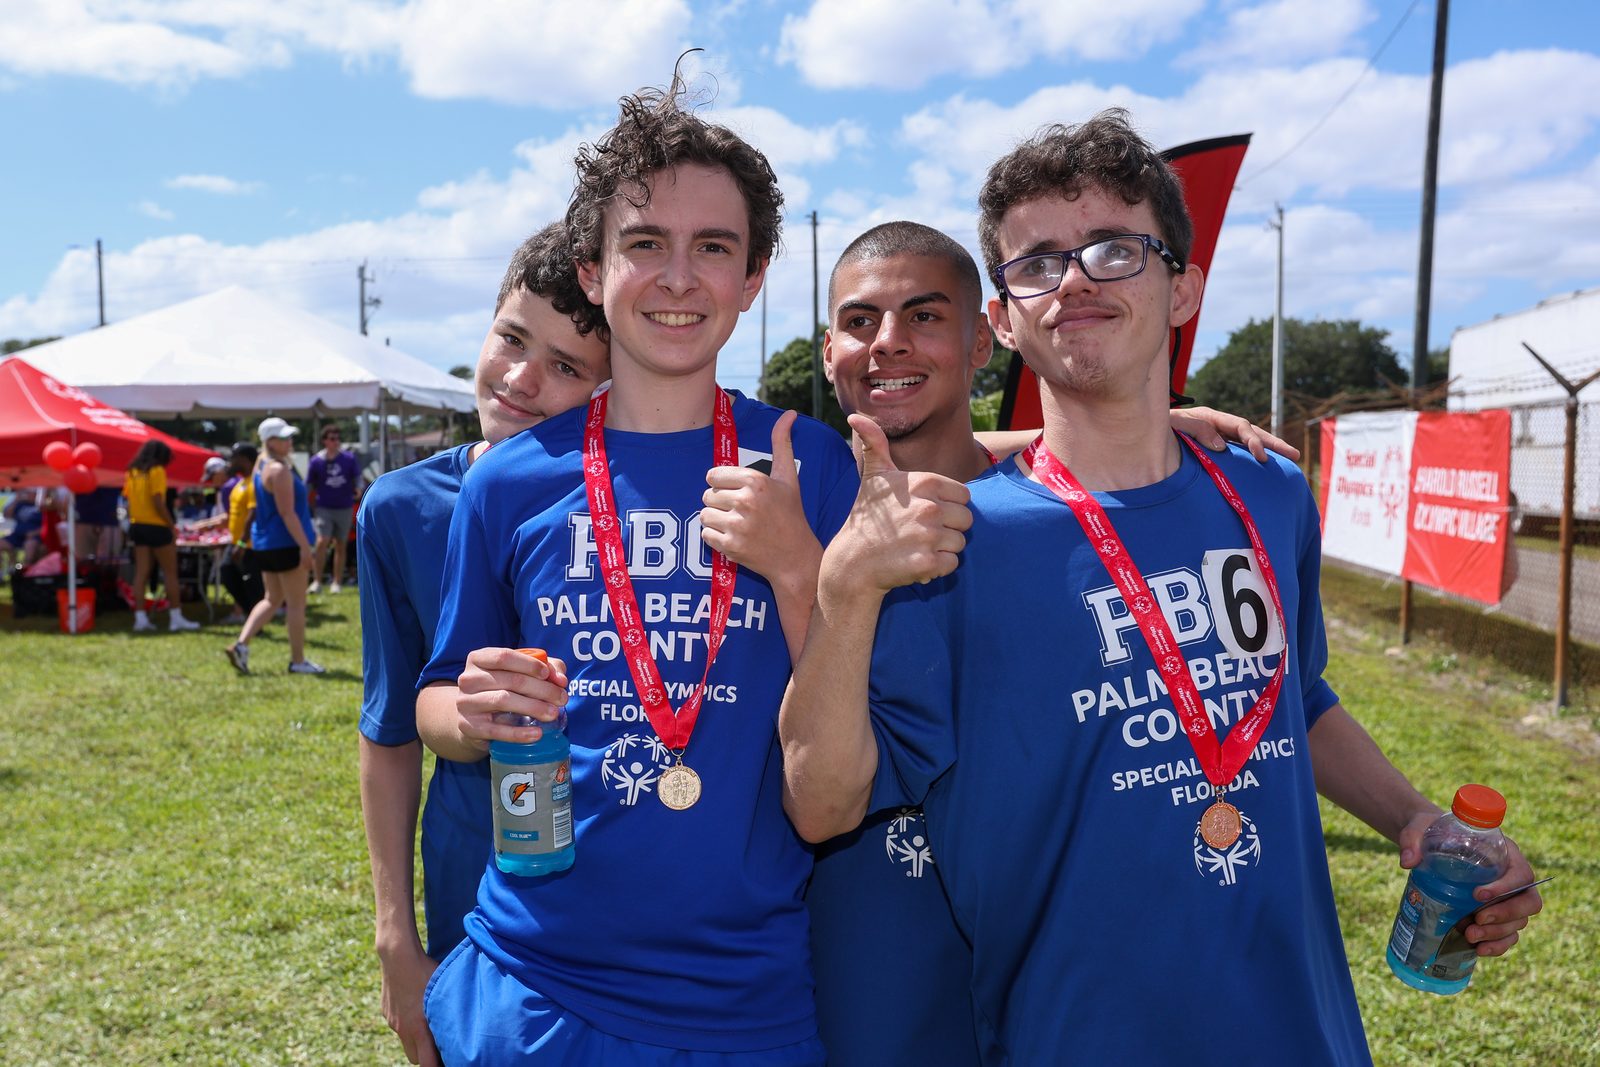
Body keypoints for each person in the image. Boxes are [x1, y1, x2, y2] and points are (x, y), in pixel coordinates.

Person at [779, 111, 1541, 1066]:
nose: (1075, 282)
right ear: (1004, 321)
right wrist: (845, 588)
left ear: (1183, 288)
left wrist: (1415, 817)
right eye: (1037, 264)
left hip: (1303, 1032)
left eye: (1113, 249)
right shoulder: (952, 547)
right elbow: (823, 804)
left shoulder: (1269, 492)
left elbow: (1295, 699)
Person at [416, 75, 857, 1064]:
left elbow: (855, 728)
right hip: (537, 984)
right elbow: (435, 699)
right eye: (646, 243)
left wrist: (799, 570)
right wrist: (471, 711)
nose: (678, 277)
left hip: (745, 998)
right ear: (593, 268)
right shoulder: (510, 481)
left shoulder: (807, 464)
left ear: (754, 277)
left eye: (715, 247)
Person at [357, 220, 611, 1067]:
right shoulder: (399, 508)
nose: (521, 377)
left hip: (614, 891)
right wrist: (395, 936)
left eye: (568, 366)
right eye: (511, 338)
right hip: (469, 877)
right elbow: (389, 730)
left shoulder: (639, 509)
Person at [226, 417, 322, 675]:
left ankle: (241, 644)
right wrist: (305, 547)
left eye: (289, 437)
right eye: (283, 438)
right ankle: (298, 661)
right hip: (286, 543)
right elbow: (287, 513)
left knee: (272, 599)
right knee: (296, 604)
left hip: (266, 544)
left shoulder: (261, 465)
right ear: (270, 442)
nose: (289, 441)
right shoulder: (278, 470)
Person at [124, 439, 201, 633]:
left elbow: (129, 500)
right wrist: (170, 525)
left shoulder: (132, 471)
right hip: (157, 527)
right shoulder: (157, 471)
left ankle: (140, 618)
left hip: (137, 525)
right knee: (170, 572)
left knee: (141, 573)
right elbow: (158, 501)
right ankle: (176, 617)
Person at [308, 425, 361, 594]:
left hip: (344, 506)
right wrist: (306, 502)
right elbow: (309, 484)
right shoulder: (316, 460)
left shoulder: (348, 458)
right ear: (325, 441)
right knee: (322, 541)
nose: (336, 442)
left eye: (338, 438)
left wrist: (358, 488)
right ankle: (317, 582)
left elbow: (357, 477)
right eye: (332, 438)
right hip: (323, 507)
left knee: (341, 544)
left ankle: (336, 583)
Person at [219, 443, 264, 626]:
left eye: (234, 458)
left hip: (249, 545)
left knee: (253, 586)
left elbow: (253, 514)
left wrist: (243, 543)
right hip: (237, 542)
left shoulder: (255, 482)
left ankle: (255, 621)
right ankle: (251, 616)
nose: (231, 462)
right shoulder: (240, 484)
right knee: (227, 573)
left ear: (245, 460)